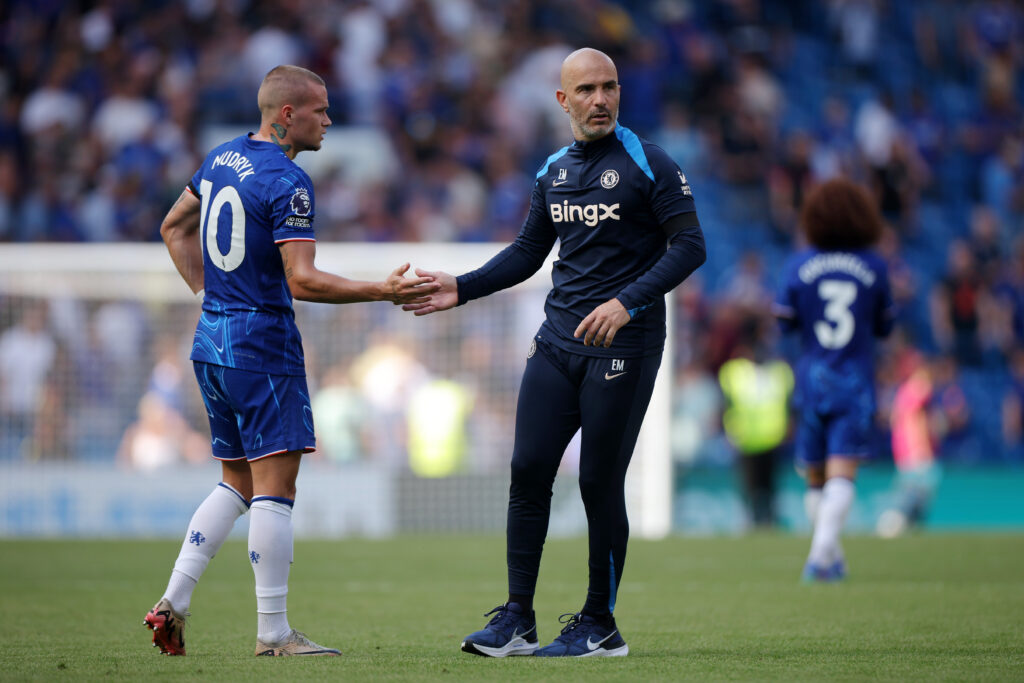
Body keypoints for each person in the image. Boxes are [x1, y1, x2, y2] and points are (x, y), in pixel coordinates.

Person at [405, 48, 706, 657]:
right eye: (587, 90)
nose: (601, 100)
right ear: (563, 100)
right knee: (527, 472)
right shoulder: (552, 171)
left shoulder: (649, 162)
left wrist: (628, 302)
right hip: (557, 344)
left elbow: (691, 246)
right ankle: (517, 618)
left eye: (610, 87)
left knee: (598, 481)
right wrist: (461, 287)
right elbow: (526, 254)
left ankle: (601, 624)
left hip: (625, 345)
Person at [145, 65, 437, 657]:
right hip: (262, 348)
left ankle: (172, 602)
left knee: (237, 481)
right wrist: (382, 291)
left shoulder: (222, 158)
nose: (329, 121)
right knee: (276, 490)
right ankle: (274, 633)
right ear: (287, 115)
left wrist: (211, 296)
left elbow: (172, 226)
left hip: (212, 341)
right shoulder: (288, 181)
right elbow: (300, 280)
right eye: (320, 110)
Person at [773, 177, 894, 582]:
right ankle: (825, 555)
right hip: (855, 381)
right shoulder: (875, 266)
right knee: (843, 472)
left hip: (812, 379)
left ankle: (824, 557)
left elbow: (784, 324)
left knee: (814, 474)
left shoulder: (799, 264)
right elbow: (884, 327)